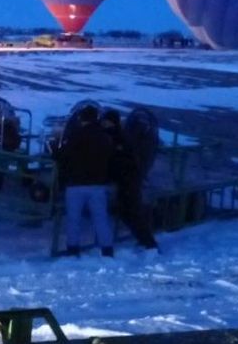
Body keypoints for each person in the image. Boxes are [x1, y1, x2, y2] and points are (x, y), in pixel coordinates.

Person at [54, 104, 115, 256]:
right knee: (101, 219)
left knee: (74, 219)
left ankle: (73, 249)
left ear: (82, 118)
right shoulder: (105, 137)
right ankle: (107, 249)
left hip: (76, 184)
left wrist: (54, 148)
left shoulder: (75, 135)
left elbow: (63, 156)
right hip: (98, 184)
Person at [106, 106, 159, 250]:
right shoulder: (129, 137)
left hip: (128, 180)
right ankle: (146, 240)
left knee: (131, 212)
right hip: (131, 179)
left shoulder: (119, 138)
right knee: (131, 211)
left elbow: (120, 159)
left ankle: (148, 242)